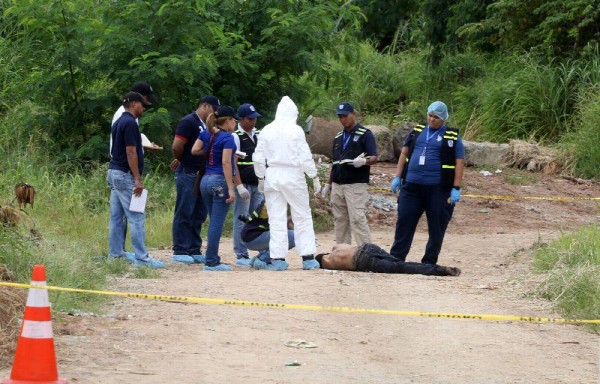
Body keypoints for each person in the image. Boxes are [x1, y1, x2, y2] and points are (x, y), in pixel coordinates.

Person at [389, 101, 464, 265]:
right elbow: (404, 153)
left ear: (443, 118)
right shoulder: (417, 131)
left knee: (437, 226)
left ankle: (429, 262)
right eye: (430, 115)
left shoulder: (451, 136)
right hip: (412, 187)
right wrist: (397, 176)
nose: (432, 119)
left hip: (438, 189)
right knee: (404, 222)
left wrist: (456, 187)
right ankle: (396, 258)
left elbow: (459, 162)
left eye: (436, 117)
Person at [253, 96, 321, 271]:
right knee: (302, 216)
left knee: (276, 218)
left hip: (272, 174)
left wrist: (260, 177)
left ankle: (277, 259)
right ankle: (307, 257)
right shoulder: (296, 130)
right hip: (293, 175)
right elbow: (304, 155)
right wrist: (313, 176)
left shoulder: (266, 130)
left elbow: (258, 157)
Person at [107, 92, 164, 268]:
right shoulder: (130, 123)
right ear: (133, 104)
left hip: (114, 172)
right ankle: (142, 259)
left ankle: (115, 254)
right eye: (143, 105)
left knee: (117, 217)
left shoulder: (118, 122)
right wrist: (137, 179)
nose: (144, 108)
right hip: (125, 175)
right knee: (137, 216)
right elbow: (130, 151)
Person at [170, 95, 221, 265]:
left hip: (203, 173)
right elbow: (177, 145)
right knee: (185, 210)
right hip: (189, 172)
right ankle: (180, 248)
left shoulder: (207, 125)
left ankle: (194, 247)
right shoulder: (188, 122)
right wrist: (183, 159)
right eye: (213, 111)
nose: (215, 115)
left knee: (199, 213)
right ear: (205, 106)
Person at [321, 102, 378, 246]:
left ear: (353, 114)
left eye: (345, 116)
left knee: (357, 219)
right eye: (340, 117)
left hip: (355, 184)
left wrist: (363, 162)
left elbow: (374, 157)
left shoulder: (365, 134)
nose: (342, 119)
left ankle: (366, 252)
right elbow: (335, 162)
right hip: (338, 184)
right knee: (340, 220)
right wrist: (328, 184)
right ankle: (342, 250)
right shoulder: (338, 137)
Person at [191, 105, 238, 271]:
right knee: (217, 222)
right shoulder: (227, 138)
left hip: (205, 181)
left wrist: (210, 152)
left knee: (213, 221)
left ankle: (212, 256)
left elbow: (194, 150)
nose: (236, 124)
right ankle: (211, 260)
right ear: (228, 121)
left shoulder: (206, 133)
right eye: (234, 120)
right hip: (219, 181)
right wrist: (231, 189)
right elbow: (226, 162)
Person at [231, 103, 264, 267]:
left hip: (258, 183)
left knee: (259, 219)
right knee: (242, 218)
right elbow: (233, 163)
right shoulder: (236, 136)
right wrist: (238, 185)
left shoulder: (258, 135)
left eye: (255, 119)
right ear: (241, 119)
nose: (253, 122)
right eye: (250, 119)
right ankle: (241, 253)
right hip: (244, 183)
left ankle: (261, 251)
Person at [315, 243, 461, 276]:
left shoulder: (326, 262)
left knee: (401, 268)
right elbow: (341, 244)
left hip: (362, 261)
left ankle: (439, 270)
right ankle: (434, 267)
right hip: (367, 247)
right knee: (400, 263)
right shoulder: (336, 248)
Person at [239, 199, 295, 270]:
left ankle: (258, 258)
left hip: (252, 236)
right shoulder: (270, 202)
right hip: (253, 237)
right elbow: (278, 227)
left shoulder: (272, 198)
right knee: (293, 237)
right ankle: (262, 260)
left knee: (288, 235)